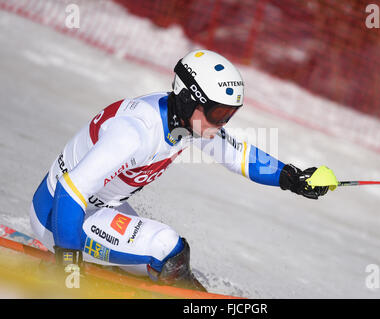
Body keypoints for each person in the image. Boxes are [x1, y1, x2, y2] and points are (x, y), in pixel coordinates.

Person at [29, 50, 329, 291]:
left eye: (230, 113)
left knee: (167, 268)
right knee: (167, 249)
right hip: (57, 217)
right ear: (189, 99)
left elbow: (238, 155)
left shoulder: (188, 121)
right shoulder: (134, 131)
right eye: (218, 112)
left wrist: (291, 177)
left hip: (98, 208)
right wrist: (67, 266)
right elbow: (70, 190)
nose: (223, 122)